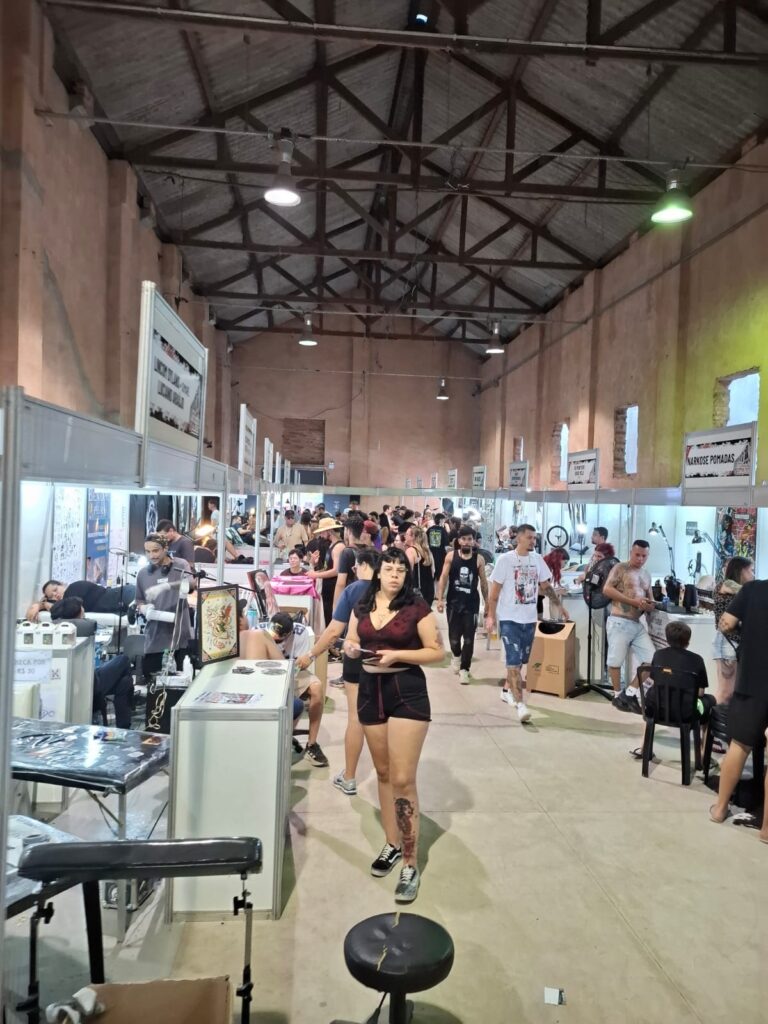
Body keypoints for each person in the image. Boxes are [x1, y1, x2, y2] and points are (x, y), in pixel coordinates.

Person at [343, 549, 443, 903]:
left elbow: (436, 651)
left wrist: (398, 654)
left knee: (403, 779)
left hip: (407, 692)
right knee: (384, 773)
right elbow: (353, 639)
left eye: (401, 569)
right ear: (379, 572)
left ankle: (410, 862)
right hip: (370, 691)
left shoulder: (416, 606)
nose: (395, 574)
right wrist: (351, 648)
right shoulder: (363, 604)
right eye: (389, 568)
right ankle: (392, 843)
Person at [297, 549, 379, 794]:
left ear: (362, 565)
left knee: (356, 718)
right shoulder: (389, 590)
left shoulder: (353, 591)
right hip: (386, 662)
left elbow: (333, 632)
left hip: (357, 660)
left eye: (355, 566)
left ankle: (350, 777)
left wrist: (311, 655)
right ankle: (386, 776)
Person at [484, 523, 569, 723]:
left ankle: (506, 690)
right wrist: (490, 616)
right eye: (530, 537)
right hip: (509, 619)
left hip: (529, 620)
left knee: (521, 661)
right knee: (513, 662)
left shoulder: (537, 559)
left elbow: (545, 585)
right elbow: (494, 593)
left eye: (534, 538)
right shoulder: (505, 560)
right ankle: (521, 704)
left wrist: (559, 606)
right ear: (519, 538)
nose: (533, 541)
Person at [709, 577, 768, 842]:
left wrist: (749, 631)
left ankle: (720, 809)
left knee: (740, 745)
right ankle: (766, 830)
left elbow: (726, 623)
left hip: (751, 680)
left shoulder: (754, 589)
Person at [50, 596, 135, 728]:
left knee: (125, 682)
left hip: (89, 679)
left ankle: (123, 727)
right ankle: (124, 728)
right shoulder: (83, 628)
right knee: (123, 660)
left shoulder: (54, 630)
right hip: (89, 684)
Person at [265, 612, 329, 767]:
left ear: (289, 634)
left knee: (316, 687)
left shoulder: (301, 633)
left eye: (280, 638)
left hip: (293, 672)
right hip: (267, 674)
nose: (276, 640)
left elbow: (300, 666)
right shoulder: (260, 631)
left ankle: (311, 744)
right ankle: (278, 737)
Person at [602, 540, 656, 712]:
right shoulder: (620, 568)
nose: (640, 559)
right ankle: (617, 695)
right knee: (615, 661)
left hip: (636, 623)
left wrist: (650, 605)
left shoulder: (646, 574)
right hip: (619, 620)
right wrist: (633, 601)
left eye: (644, 556)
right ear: (631, 553)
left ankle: (630, 693)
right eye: (637, 555)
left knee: (652, 660)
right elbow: (607, 589)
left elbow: (651, 599)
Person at [134, 532, 196, 679]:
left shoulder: (181, 565)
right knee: (153, 684)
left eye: (155, 550)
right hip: (155, 639)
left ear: (165, 548)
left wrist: (166, 586)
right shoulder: (143, 574)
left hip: (179, 639)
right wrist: (143, 608)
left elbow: (191, 585)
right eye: (148, 552)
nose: (152, 555)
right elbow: (139, 600)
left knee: (180, 685)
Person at [436, 526, 488, 684]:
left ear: (474, 541)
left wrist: (487, 604)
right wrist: (440, 599)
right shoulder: (451, 556)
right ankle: (456, 656)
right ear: (458, 541)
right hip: (453, 603)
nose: (466, 542)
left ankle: (465, 669)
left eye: (469, 539)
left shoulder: (479, 559)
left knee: (469, 639)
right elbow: (443, 577)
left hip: (471, 604)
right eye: (463, 539)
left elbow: (484, 583)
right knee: (454, 639)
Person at [712, 556, 754, 704]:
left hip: (730, 643)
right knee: (726, 693)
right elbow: (747, 591)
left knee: (729, 692)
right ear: (741, 571)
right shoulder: (727, 585)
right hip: (728, 642)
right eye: (751, 570)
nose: (753, 575)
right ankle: (711, 720)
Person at [28, 577, 134, 622]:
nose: (55, 595)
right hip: (120, 607)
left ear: (61, 584)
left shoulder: (73, 588)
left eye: (55, 590)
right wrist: (40, 605)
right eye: (51, 596)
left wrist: (42, 604)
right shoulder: (66, 601)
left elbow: (64, 609)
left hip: (124, 594)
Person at [306, 517, 346, 625]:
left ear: (329, 531)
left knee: (331, 616)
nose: (321, 535)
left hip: (334, 587)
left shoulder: (338, 547)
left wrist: (316, 575)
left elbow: (336, 570)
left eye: (322, 532)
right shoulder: (332, 545)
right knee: (327, 615)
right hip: (328, 586)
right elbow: (328, 567)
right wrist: (316, 571)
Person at [404, 525, 435, 606]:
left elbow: (408, 573)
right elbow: (432, 572)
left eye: (406, 534)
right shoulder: (427, 551)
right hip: (428, 590)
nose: (404, 536)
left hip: (416, 592)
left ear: (413, 537)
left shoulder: (411, 551)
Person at [426, 513, 450, 582]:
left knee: (431, 574)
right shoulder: (443, 530)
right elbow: (446, 545)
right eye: (443, 520)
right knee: (439, 576)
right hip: (440, 555)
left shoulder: (429, 529)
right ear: (441, 520)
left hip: (430, 554)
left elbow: (425, 541)